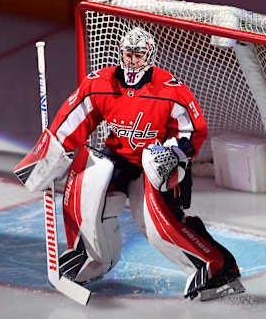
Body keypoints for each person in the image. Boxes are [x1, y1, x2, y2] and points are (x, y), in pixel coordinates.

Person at [17, 27, 244, 301]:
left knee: (157, 225)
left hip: (158, 163)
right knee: (87, 175)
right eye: (128, 53)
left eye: (139, 54)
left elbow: (193, 131)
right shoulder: (101, 83)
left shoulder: (170, 89)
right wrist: (46, 160)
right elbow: (73, 121)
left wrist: (172, 154)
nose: (132, 60)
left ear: (150, 56)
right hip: (119, 157)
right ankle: (89, 258)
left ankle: (215, 267)